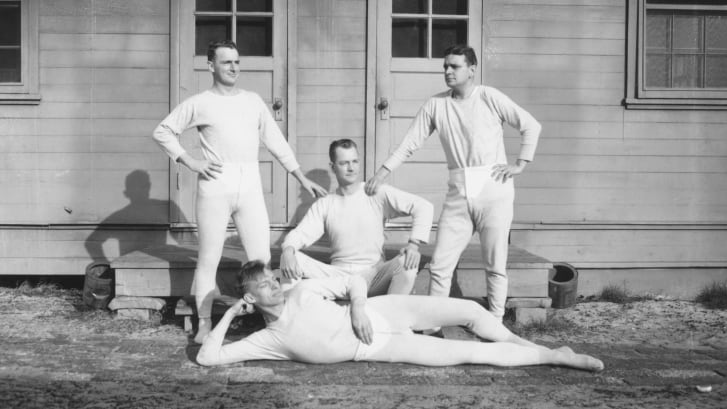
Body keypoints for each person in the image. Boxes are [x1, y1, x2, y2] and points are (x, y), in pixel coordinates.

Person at [152, 40, 327, 343]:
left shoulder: (252, 100)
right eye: (226, 62)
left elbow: (276, 142)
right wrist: (191, 162)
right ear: (211, 66)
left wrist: (301, 176)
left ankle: (275, 322)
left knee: (261, 260)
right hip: (215, 188)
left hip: (249, 187)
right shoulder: (200, 102)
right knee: (209, 258)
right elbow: (163, 131)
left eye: (236, 62)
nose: (233, 68)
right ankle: (204, 323)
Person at [365, 45, 542, 320]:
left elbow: (531, 125)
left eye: (454, 66)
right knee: (440, 265)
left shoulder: (488, 96)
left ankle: (494, 323)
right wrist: (382, 172)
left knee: (495, 265)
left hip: (494, 190)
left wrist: (520, 164)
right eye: (445, 66)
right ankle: (434, 324)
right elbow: (409, 143)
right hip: (459, 193)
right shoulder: (436, 104)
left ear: (472, 70)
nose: (447, 71)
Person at [196, 260, 604, 372]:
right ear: (249, 298)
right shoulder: (267, 340)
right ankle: (554, 356)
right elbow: (208, 358)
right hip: (379, 346)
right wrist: (231, 314)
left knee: (470, 311)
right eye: (262, 285)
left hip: (383, 309)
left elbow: (355, 281)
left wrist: (357, 305)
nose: (272, 285)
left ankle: (531, 346)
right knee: (469, 356)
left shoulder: (300, 290)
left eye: (270, 277)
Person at [279, 139, 434, 296]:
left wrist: (414, 245)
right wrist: (288, 251)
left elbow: (424, 207)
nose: (351, 168)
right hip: (338, 277)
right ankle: (287, 315)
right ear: (333, 167)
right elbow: (299, 234)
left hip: (373, 275)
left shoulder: (375, 192)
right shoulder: (326, 204)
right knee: (290, 257)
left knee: (407, 262)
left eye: (355, 161)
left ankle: (391, 315)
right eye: (344, 163)